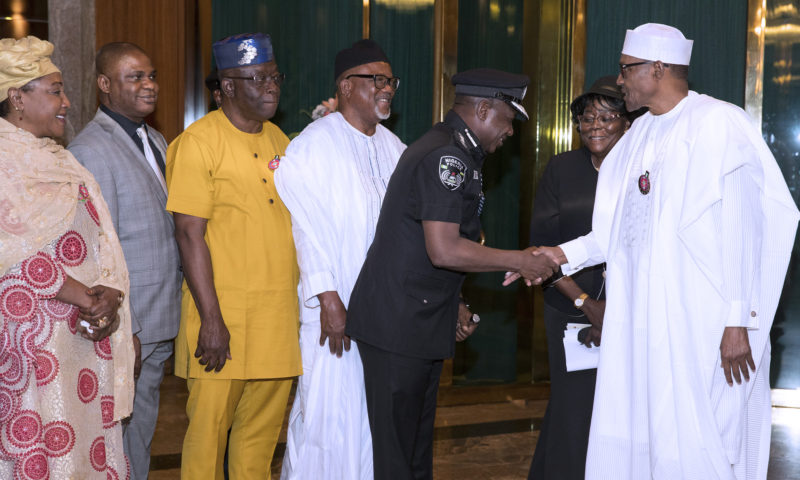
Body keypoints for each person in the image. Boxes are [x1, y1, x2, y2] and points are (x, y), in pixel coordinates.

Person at [536, 23, 799, 479]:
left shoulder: (719, 123)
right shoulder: (636, 137)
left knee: (703, 435)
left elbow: (744, 228)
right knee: (642, 431)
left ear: (657, 68)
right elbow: (612, 233)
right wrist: (553, 256)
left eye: (625, 70)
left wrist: (737, 321)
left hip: (701, 320)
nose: (619, 80)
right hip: (641, 321)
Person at [346, 68, 558, 480]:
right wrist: (520, 260)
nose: (510, 133)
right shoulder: (446, 156)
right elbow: (443, 249)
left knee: (415, 451)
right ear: (481, 108)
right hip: (397, 325)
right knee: (397, 457)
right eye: (508, 119)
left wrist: (455, 302)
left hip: (417, 318)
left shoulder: (459, 152)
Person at [165, 33, 301, 479]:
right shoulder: (198, 142)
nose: (270, 86)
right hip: (222, 323)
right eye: (256, 77)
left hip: (275, 322)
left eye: (274, 75)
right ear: (225, 87)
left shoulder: (282, 140)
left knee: (259, 445)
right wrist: (212, 321)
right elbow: (189, 235)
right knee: (207, 442)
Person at [0, 35, 134, 479]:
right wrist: (86, 295)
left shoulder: (60, 160)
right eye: (55, 90)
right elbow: (11, 251)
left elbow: (99, 240)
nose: (67, 101)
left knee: (86, 448)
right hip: (34, 343)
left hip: (84, 335)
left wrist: (108, 295)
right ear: (17, 97)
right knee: (47, 449)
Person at [274, 39, 406, 480]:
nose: (386, 89)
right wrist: (328, 296)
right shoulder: (314, 145)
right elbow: (304, 228)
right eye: (376, 80)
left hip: (383, 310)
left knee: (372, 420)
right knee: (326, 418)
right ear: (346, 87)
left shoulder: (395, 148)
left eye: (390, 81)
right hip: (334, 306)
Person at [68, 42, 181, 480]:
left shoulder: (154, 138)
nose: (149, 85)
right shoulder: (91, 149)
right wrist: (125, 329)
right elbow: (97, 247)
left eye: (151, 75)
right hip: (128, 322)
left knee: (142, 429)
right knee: (123, 435)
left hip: (159, 314)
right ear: (104, 85)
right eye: (135, 77)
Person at [527, 75, 638, 479]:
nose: (595, 124)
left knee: (622, 410)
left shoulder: (640, 172)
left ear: (628, 122)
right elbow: (542, 248)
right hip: (569, 309)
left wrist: (616, 311)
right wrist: (585, 304)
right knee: (576, 407)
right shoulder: (562, 168)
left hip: (632, 312)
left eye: (608, 116)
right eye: (587, 116)